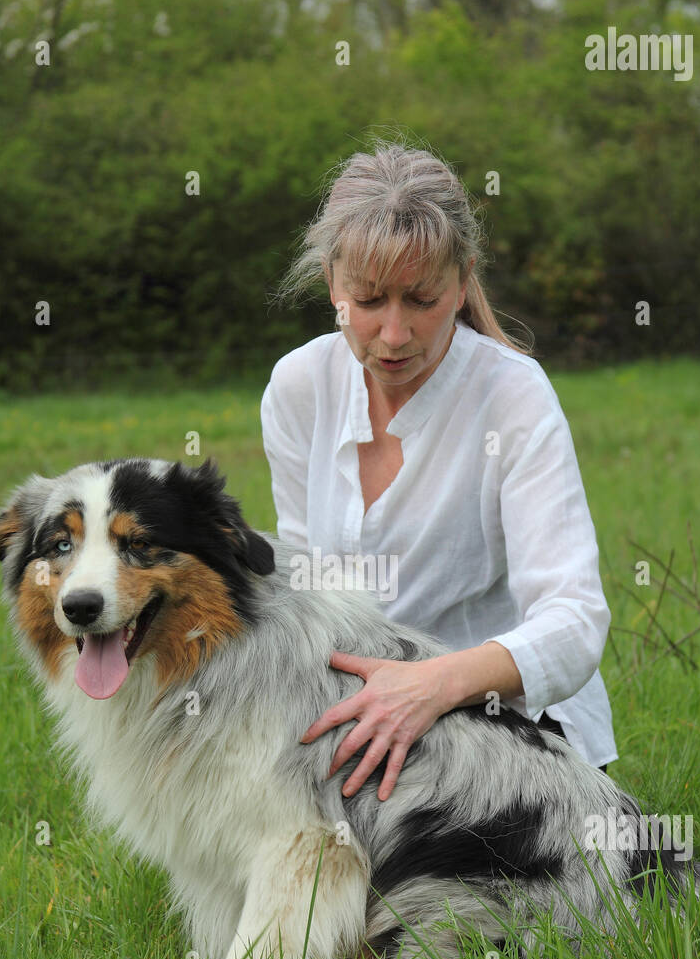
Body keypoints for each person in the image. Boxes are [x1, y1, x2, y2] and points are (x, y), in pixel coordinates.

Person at [261, 140, 617, 802]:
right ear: (333, 285)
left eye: (421, 300)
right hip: (361, 718)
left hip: (508, 734)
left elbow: (574, 622)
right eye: (368, 301)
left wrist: (430, 685)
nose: (393, 335)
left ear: (462, 281)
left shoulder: (514, 396)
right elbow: (309, 592)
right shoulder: (297, 387)